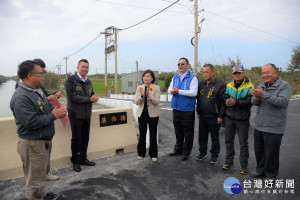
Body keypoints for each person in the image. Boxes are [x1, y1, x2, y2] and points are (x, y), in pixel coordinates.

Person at [10, 60, 67, 200]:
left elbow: (46, 107)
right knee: (34, 181)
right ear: (30, 75)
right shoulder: (21, 97)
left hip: (42, 141)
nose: (43, 75)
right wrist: (53, 116)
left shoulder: (37, 90)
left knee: (40, 175)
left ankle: (42, 194)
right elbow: (30, 122)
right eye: (41, 73)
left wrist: (56, 112)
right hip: (32, 143)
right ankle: (36, 196)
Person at [250, 63, 292, 179]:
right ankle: (260, 171)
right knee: (259, 151)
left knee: (271, 154)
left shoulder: (284, 86)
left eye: (267, 72)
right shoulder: (261, 85)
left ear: (275, 73)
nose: (265, 75)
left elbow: (282, 102)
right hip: (259, 125)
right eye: (263, 73)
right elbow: (254, 102)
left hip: (274, 127)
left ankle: (271, 175)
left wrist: (263, 95)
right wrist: (257, 97)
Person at [65, 59, 98, 172]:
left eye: (87, 67)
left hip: (87, 114)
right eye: (82, 67)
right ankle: (75, 160)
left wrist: (94, 97)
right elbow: (73, 97)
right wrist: (89, 99)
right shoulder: (70, 80)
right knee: (76, 138)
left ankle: (83, 158)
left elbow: (91, 93)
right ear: (77, 67)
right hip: (75, 114)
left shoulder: (88, 82)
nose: (85, 69)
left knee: (85, 137)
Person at [222, 65, 254, 175]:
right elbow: (225, 97)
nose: (237, 75)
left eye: (239, 73)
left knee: (243, 144)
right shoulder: (229, 85)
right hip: (229, 118)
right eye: (235, 73)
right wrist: (227, 101)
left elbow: (250, 102)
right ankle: (228, 162)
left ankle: (244, 166)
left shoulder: (250, 86)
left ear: (243, 73)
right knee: (228, 142)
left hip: (243, 119)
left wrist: (236, 102)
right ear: (233, 75)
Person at [168, 57, 198, 161]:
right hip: (176, 109)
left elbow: (193, 92)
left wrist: (178, 91)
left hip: (187, 110)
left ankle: (186, 153)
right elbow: (169, 90)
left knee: (188, 133)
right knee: (178, 131)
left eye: (182, 64)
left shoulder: (193, 78)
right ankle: (178, 150)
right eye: (178, 64)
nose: (180, 66)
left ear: (187, 66)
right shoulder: (175, 77)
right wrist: (173, 91)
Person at [196, 64, 226, 164]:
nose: (204, 74)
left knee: (215, 137)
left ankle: (214, 155)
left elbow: (223, 102)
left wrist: (221, 116)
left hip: (214, 117)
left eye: (207, 72)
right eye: (203, 72)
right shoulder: (201, 84)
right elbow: (198, 99)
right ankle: (202, 153)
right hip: (203, 116)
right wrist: (198, 111)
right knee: (202, 136)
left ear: (212, 72)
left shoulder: (220, 84)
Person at [134, 70, 160, 162]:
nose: (146, 78)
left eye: (148, 76)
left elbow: (157, 102)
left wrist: (148, 96)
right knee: (142, 134)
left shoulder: (156, 88)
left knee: (153, 135)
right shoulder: (139, 87)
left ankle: (153, 154)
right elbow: (136, 102)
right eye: (144, 76)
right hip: (142, 114)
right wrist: (141, 95)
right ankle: (141, 153)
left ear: (152, 78)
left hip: (153, 114)